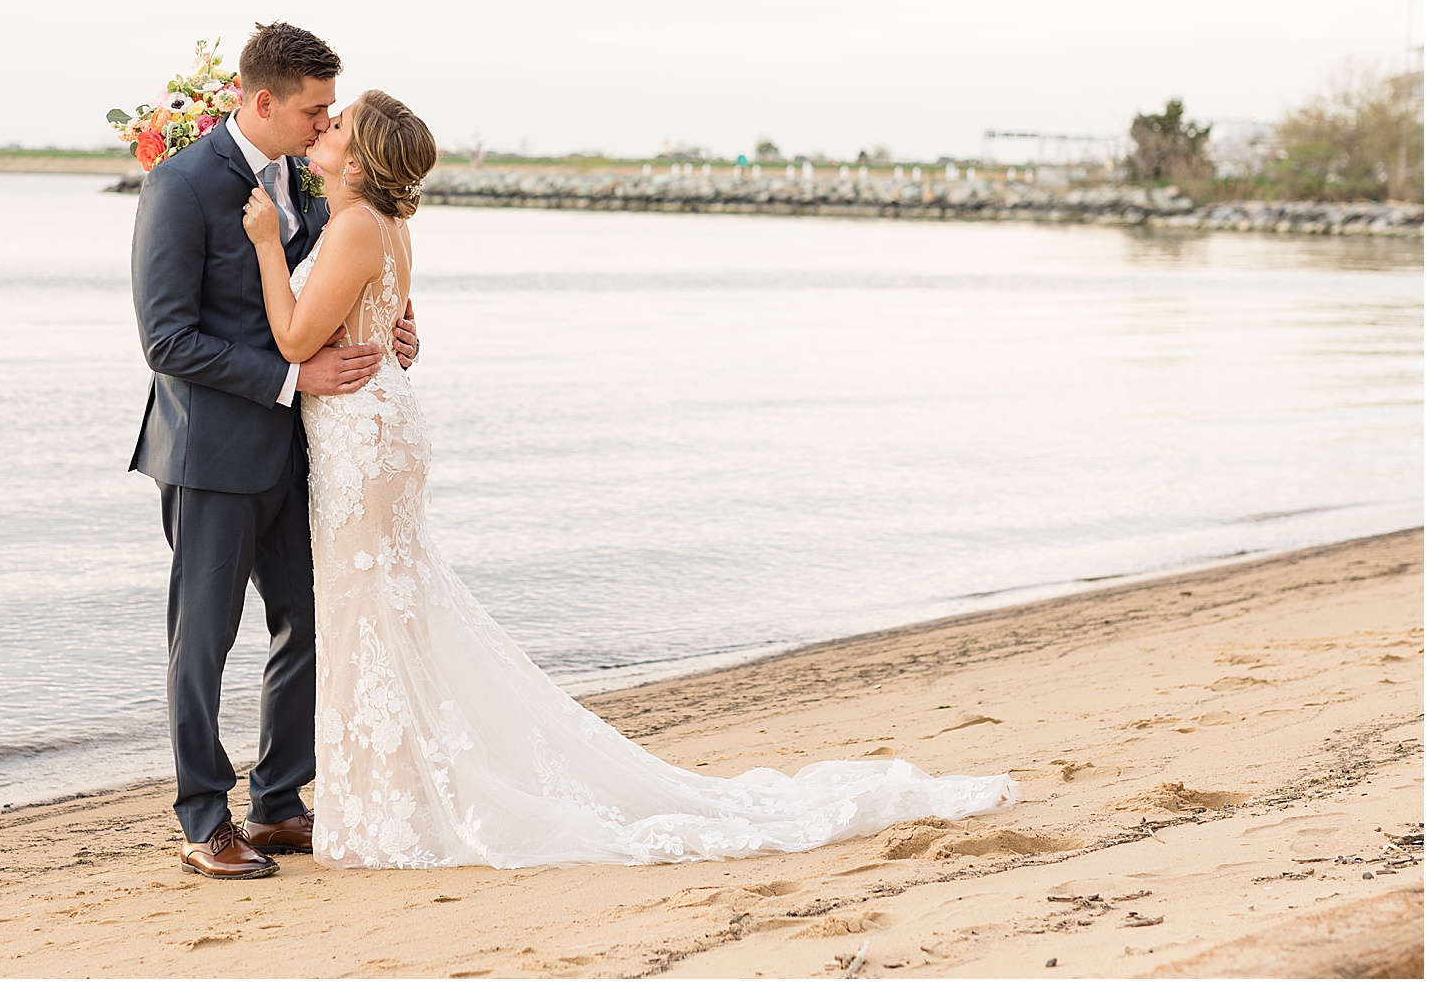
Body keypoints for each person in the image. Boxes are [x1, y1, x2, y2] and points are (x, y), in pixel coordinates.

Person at [240, 90, 1018, 869]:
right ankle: (391, 792)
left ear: (363, 155)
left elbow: (296, 335)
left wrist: (269, 243)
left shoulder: (350, 227)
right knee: (384, 608)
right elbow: (384, 322)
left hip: (363, 438)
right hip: (375, 426)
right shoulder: (385, 225)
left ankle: (394, 799)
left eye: (338, 125)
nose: (325, 128)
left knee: (372, 606)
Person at [128, 23, 419, 879]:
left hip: (304, 454)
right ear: (263, 102)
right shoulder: (180, 185)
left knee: (311, 618)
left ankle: (282, 801)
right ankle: (203, 819)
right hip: (210, 453)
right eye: (314, 109)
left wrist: (392, 322)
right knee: (204, 638)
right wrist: (295, 382)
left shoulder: (309, 179)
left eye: (332, 111)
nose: (325, 124)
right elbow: (168, 340)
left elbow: (335, 281)